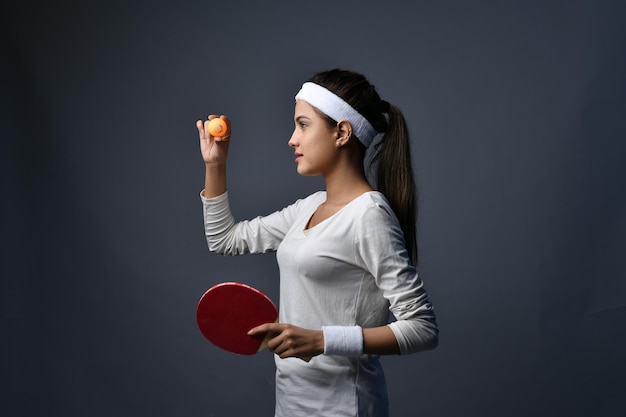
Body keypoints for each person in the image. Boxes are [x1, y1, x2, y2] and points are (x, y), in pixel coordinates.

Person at [197, 69, 438, 417]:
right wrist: (215, 164)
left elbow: (423, 328)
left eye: (303, 124)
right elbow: (225, 240)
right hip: (292, 404)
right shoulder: (309, 207)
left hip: (343, 408)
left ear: (341, 132)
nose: (292, 140)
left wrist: (322, 339)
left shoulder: (368, 216)